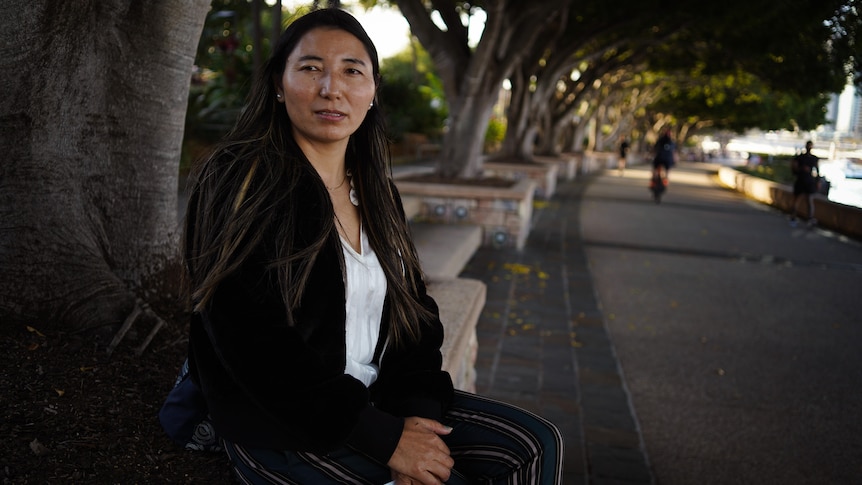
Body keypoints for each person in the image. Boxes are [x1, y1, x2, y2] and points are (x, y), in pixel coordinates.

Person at [171, 8, 563, 485]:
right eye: (311, 68)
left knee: (535, 445)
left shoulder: (374, 191)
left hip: (378, 401)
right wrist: (385, 439)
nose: (330, 88)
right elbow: (252, 341)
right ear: (278, 83)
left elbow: (414, 312)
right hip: (280, 424)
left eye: (351, 71)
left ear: (373, 91)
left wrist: (417, 411)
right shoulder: (242, 178)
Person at [789, 140, 820, 227]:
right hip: (803, 180)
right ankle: (795, 217)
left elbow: (817, 170)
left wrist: (817, 180)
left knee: (807, 200)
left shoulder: (807, 158)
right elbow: (794, 168)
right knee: (800, 200)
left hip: (807, 181)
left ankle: (807, 218)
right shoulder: (801, 158)